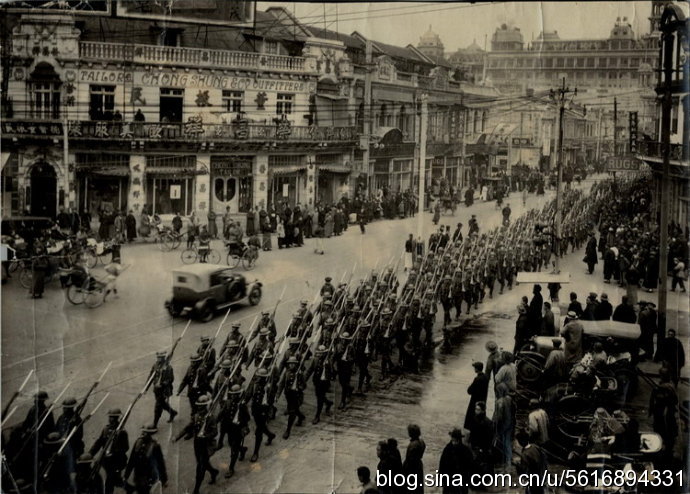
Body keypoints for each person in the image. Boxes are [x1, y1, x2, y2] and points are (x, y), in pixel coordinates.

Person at [174, 394, 219, 494]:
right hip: (197, 445)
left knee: (200, 467)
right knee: (202, 463)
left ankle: (196, 490)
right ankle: (213, 472)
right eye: (199, 406)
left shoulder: (211, 418)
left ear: (206, 406)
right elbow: (188, 427)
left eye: (202, 406)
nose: (199, 408)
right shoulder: (196, 416)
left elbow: (215, 432)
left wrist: (206, 436)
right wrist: (177, 437)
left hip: (206, 446)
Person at [90, 408, 130, 494]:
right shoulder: (106, 429)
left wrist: (114, 452)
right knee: (115, 479)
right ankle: (129, 488)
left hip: (116, 461)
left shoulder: (122, 432)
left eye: (113, 417)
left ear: (117, 418)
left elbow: (126, 448)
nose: (110, 419)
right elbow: (99, 442)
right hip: (106, 460)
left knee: (109, 481)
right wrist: (90, 454)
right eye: (110, 416)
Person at [124, 425, 168, 494]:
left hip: (148, 477)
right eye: (143, 432)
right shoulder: (138, 442)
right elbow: (132, 460)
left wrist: (164, 479)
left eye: (145, 433)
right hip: (137, 475)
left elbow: (160, 463)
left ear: (150, 434)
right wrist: (126, 475)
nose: (143, 434)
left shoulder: (155, 446)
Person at [649, 368, 679, 462]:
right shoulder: (669, 386)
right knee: (666, 430)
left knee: (663, 430)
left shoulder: (661, 387)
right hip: (664, 412)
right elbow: (675, 400)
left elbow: (653, 400)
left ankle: (663, 449)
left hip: (662, 412)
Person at [438, 428, 474, 494]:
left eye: (456, 440)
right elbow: (442, 463)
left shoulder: (465, 450)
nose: (454, 442)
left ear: (459, 440)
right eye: (453, 439)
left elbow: (470, 465)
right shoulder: (448, 448)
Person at [148, 351, 177, 428]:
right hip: (156, 389)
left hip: (164, 390)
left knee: (158, 406)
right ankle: (173, 412)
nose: (159, 359)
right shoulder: (155, 365)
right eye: (158, 357)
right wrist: (146, 387)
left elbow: (170, 379)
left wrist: (162, 384)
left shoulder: (168, 367)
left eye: (161, 357)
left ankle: (154, 424)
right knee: (162, 404)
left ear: (164, 357)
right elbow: (151, 376)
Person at [493, 383, 515, 470]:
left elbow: (499, 417)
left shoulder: (499, 402)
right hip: (510, 423)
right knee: (507, 442)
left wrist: (495, 424)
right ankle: (508, 459)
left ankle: (505, 460)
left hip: (503, 425)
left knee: (502, 441)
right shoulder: (509, 399)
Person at [464, 362, 489, 430]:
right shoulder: (485, 377)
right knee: (481, 415)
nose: (474, 369)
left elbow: (469, 391)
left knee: (472, 415)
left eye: (475, 367)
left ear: (477, 369)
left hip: (475, 400)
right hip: (483, 399)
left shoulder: (477, 379)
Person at [403, 424, 426, 494]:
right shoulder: (421, 442)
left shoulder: (413, 445)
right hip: (418, 467)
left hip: (412, 469)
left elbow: (409, 460)